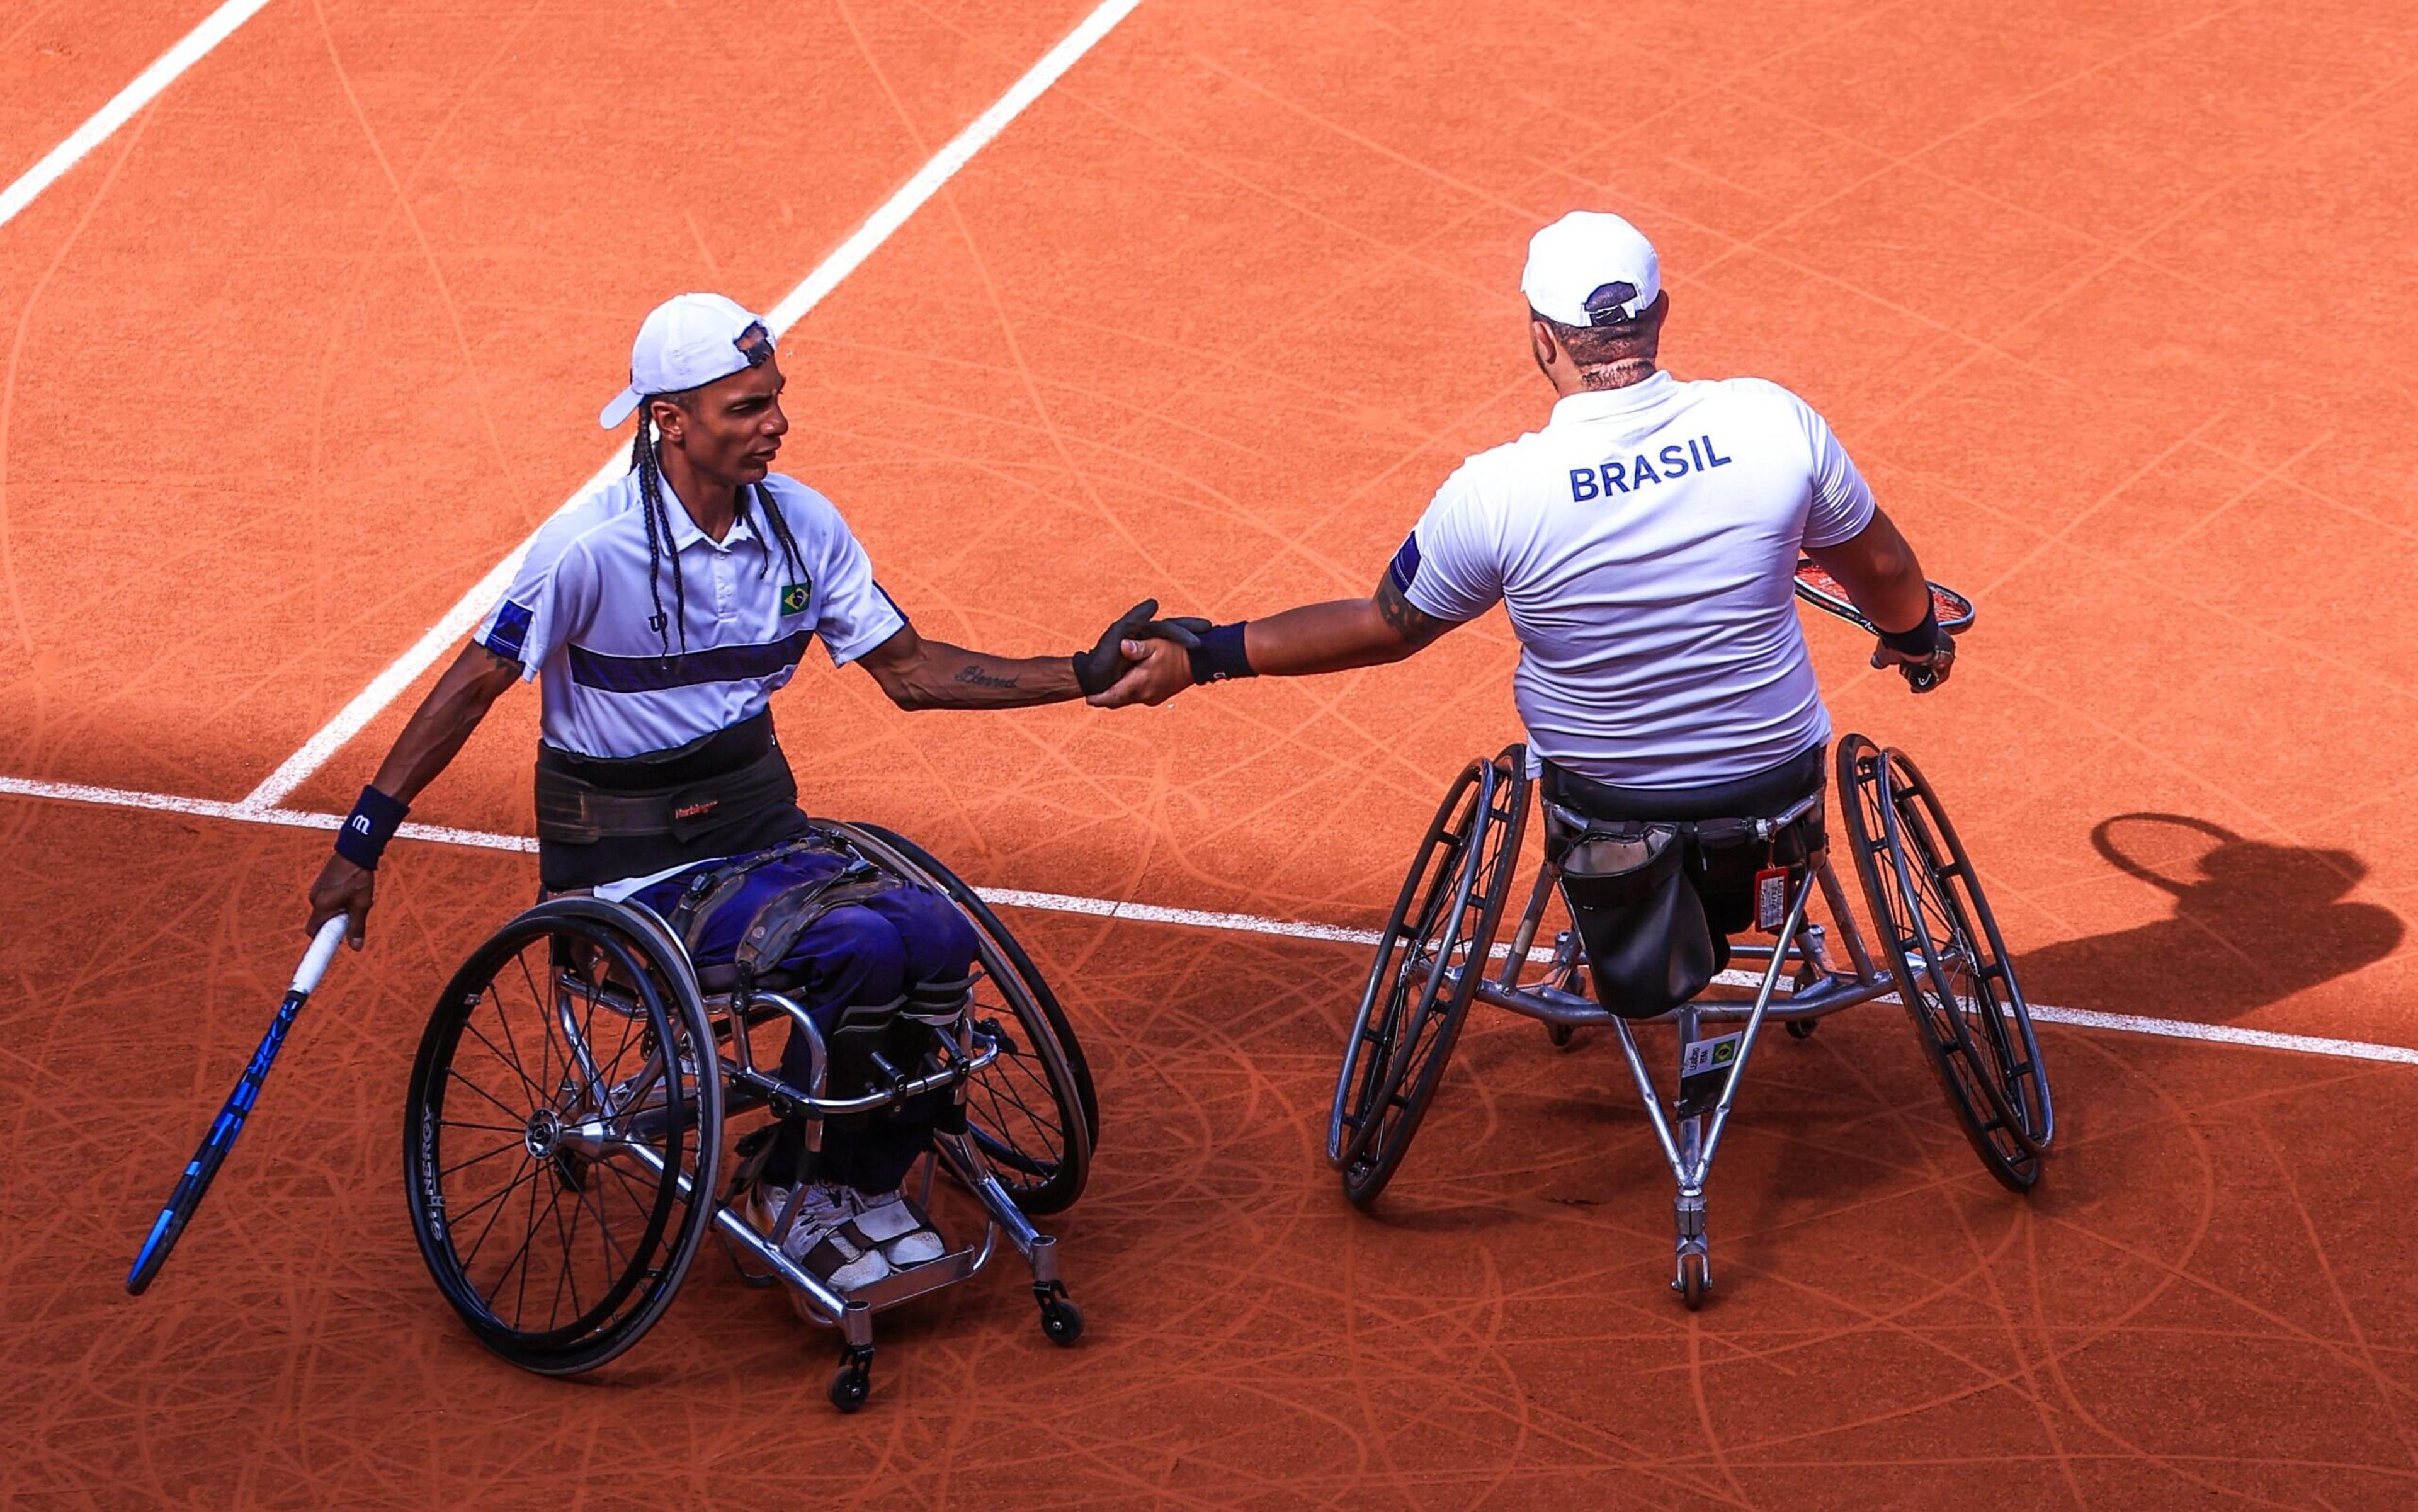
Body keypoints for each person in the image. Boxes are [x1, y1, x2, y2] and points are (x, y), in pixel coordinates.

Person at [305, 293, 1182, 1295]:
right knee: (858, 945)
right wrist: (360, 844)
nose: (777, 423)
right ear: (670, 420)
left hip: (765, 845)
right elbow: (471, 686)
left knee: (935, 931)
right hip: (633, 877)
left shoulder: (802, 527)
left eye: (776, 400)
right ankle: (790, 1187)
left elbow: (911, 669)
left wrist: (1081, 672)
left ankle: (858, 1179)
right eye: (746, 408)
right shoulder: (589, 549)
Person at [1091, 211, 1956, 1012]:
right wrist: (1915, 639)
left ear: (1542, 338)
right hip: (1775, 793)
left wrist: (1204, 654)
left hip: (1603, 816)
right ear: (1662, 315)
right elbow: (1878, 565)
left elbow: (1384, 626)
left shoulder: (1496, 493)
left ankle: (1609, 941)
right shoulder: (1777, 425)